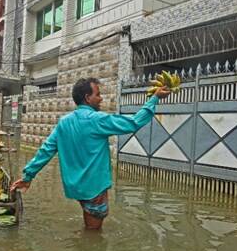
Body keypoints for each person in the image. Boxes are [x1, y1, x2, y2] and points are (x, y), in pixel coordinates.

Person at [10, 77, 171, 229]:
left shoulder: (64, 122)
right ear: (88, 98)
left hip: (76, 187)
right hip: (94, 188)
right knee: (93, 234)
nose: (101, 98)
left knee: (89, 223)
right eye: (98, 94)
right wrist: (154, 99)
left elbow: (45, 151)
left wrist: (28, 176)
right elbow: (134, 122)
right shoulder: (97, 120)